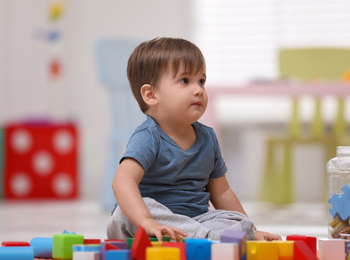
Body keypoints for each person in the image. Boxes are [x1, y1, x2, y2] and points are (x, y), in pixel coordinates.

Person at [106, 37, 282, 242]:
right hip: (150, 222)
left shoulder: (208, 137)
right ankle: (202, 237)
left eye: (201, 81)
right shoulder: (148, 137)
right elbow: (122, 181)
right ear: (151, 94)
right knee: (125, 214)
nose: (198, 89)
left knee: (235, 219)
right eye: (185, 81)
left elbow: (223, 192)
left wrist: (252, 228)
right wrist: (146, 220)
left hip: (197, 219)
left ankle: (200, 235)